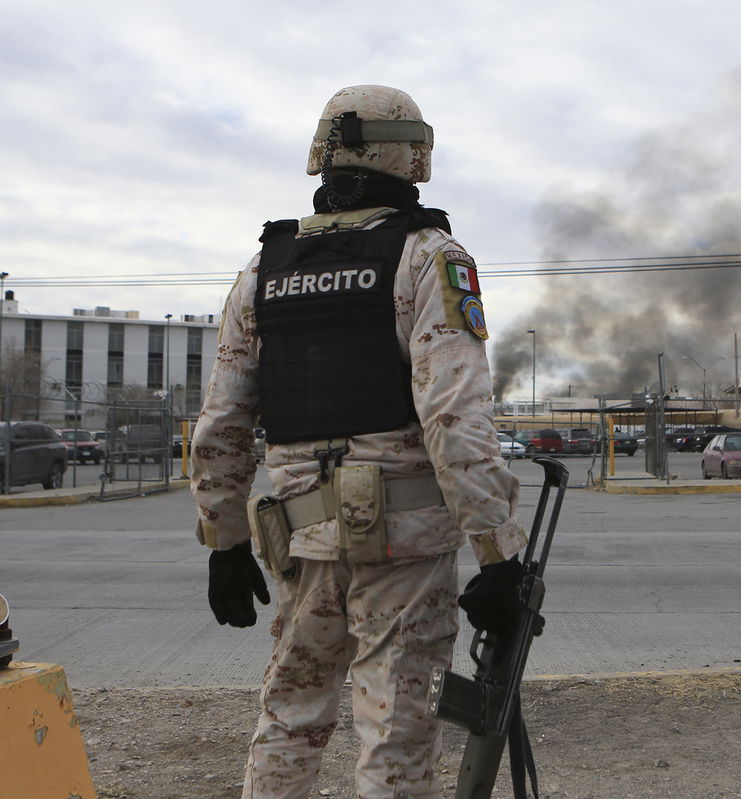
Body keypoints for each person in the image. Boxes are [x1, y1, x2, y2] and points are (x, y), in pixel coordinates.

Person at [190, 84, 526, 799]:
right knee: (397, 733)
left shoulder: (262, 271)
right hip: (401, 547)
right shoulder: (427, 256)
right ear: (410, 154)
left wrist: (223, 542)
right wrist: (497, 552)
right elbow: (455, 417)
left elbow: (221, 421)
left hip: (298, 538)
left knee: (289, 716)